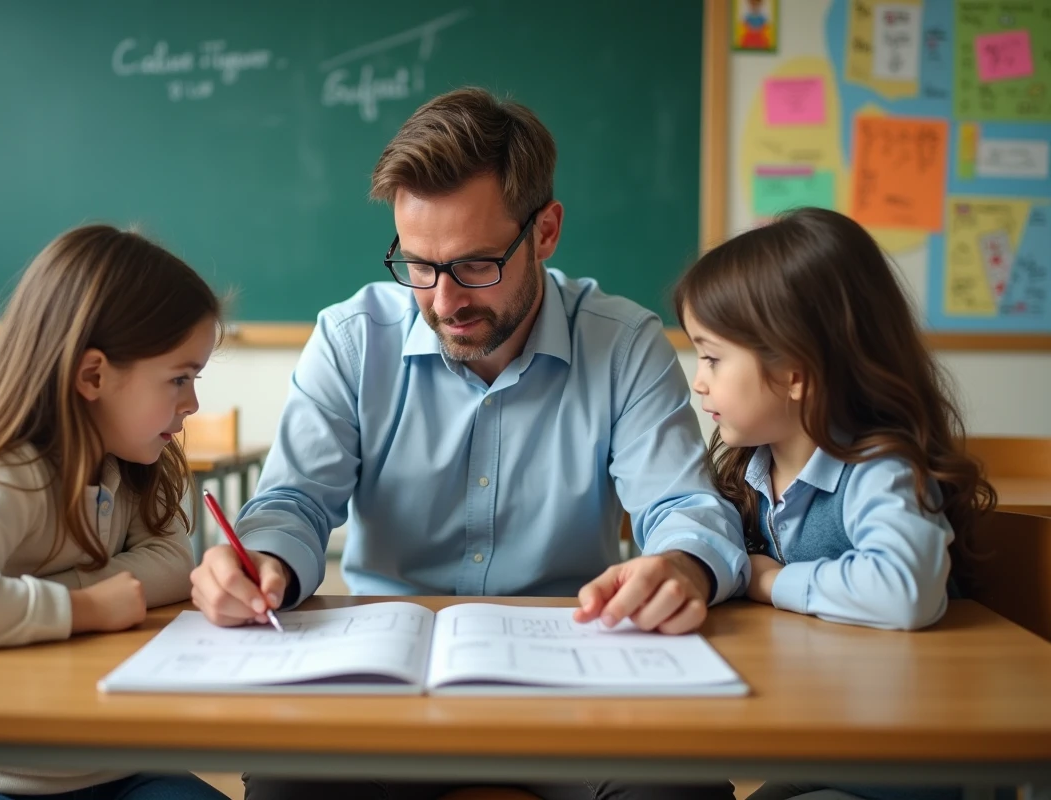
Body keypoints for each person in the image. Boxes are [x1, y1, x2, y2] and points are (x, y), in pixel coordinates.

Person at [190, 88, 747, 800]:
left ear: (545, 232)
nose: (444, 301)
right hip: (384, 685)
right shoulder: (352, 340)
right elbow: (294, 501)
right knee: (286, 785)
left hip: (574, 682)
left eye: (476, 265)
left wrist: (684, 567)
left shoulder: (623, 342)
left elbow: (685, 508)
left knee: (679, 790)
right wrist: (262, 561)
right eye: (418, 265)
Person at [674, 207, 995, 800]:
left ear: (795, 370)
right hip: (820, 740)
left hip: (899, 765)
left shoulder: (879, 470)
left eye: (713, 357)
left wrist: (772, 582)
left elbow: (904, 589)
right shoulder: (751, 470)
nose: (699, 380)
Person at [0, 224, 228, 800]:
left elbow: (174, 564)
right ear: (93, 376)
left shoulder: (126, 469)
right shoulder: (10, 474)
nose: (192, 402)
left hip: (108, 767)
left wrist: (61, 586)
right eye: (180, 377)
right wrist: (85, 608)